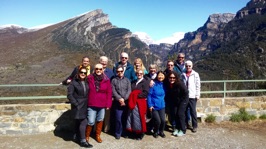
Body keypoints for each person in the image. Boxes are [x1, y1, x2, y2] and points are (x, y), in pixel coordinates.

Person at [86, 64, 112, 143]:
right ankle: (86, 136)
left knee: (100, 120)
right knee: (90, 121)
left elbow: (109, 92)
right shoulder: (89, 78)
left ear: (102, 70)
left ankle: (97, 135)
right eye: (97, 69)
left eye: (100, 69)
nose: (98, 70)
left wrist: (108, 104)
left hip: (102, 104)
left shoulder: (106, 80)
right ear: (94, 69)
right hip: (91, 103)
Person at [67, 66, 93, 148]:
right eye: (81, 72)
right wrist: (76, 104)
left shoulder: (86, 82)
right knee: (83, 122)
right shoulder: (73, 83)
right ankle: (83, 141)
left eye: (85, 73)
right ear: (78, 73)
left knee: (78, 122)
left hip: (85, 105)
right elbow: (69, 95)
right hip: (78, 105)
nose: (83, 74)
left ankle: (76, 136)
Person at [126, 69, 150, 140]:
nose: (139, 74)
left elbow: (145, 93)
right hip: (133, 102)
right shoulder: (133, 82)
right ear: (136, 74)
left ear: (143, 74)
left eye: (141, 73)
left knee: (140, 117)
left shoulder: (145, 82)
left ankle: (141, 133)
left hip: (140, 102)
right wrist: (133, 95)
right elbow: (131, 91)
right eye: (138, 73)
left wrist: (135, 95)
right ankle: (134, 131)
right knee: (133, 117)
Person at [165, 71, 189, 137]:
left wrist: (182, 101)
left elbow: (186, 92)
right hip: (175, 101)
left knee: (180, 114)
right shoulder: (168, 84)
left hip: (183, 100)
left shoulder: (180, 84)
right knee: (175, 114)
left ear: (176, 78)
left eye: (173, 77)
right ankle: (178, 128)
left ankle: (183, 130)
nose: (172, 79)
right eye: (170, 77)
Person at [111, 65, 131, 139]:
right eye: (118, 71)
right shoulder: (113, 80)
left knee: (125, 118)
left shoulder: (127, 80)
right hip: (117, 103)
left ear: (123, 71)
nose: (120, 73)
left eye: (121, 71)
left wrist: (124, 98)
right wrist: (119, 99)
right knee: (118, 118)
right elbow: (113, 90)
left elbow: (129, 90)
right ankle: (118, 132)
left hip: (126, 102)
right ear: (116, 72)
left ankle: (124, 132)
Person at [181, 60, 201, 133]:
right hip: (185, 96)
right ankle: (187, 124)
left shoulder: (195, 74)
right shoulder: (183, 74)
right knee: (185, 111)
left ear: (192, 66)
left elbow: (198, 85)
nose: (188, 67)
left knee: (193, 111)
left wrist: (197, 94)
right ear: (185, 66)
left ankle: (194, 125)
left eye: (189, 66)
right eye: (187, 66)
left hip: (192, 96)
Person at [147, 71, 166, 138]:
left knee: (163, 120)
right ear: (157, 76)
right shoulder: (153, 84)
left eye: (162, 75)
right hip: (154, 106)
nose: (160, 77)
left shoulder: (165, 84)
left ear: (164, 76)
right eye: (159, 75)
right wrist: (150, 105)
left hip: (162, 105)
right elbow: (149, 95)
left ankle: (161, 131)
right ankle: (156, 131)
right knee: (158, 120)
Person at [99, 56, 114, 133]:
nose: (104, 63)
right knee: (98, 113)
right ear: (99, 61)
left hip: (107, 95)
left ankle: (106, 129)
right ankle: (97, 129)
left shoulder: (110, 72)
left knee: (107, 113)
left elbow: (112, 84)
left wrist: (112, 96)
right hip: (98, 96)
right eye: (102, 61)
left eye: (105, 61)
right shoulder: (96, 70)